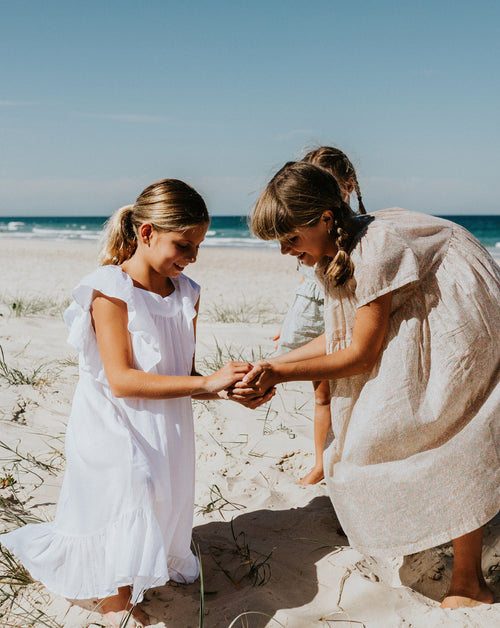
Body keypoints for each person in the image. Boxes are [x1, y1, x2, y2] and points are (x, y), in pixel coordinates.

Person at [0, 179, 271, 627]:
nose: (192, 257)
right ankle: (114, 597)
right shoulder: (109, 289)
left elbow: (183, 375)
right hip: (112, 418)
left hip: (165, 421)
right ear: (146, 233)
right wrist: (204, 384)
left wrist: (227, 389)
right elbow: (123, 380)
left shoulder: (188, 294)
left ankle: (140, 565)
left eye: (199, 245)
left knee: (161, 492)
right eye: (183, 245)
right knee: (131, 486)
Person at [231, 160, 500, 609]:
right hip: (420, 304)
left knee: (447, 428)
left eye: (290, 238)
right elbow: (341, 334)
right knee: (386, 429)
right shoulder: (335, 250)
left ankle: (470, 581)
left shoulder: (371, 252)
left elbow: (360, 354)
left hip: (458, 314)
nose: (284, 251)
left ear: (326, 219)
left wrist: (279, 373)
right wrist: (273, 361)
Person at [276, 147, 367, 485]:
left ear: (350, 185)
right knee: (323, 395)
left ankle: (346, 456)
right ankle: (320, 461)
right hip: (313, 313)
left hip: (346, 315)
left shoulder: (356, 236)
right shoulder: (311, 232)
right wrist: (287, 324)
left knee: (352, 391)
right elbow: (308, 279)